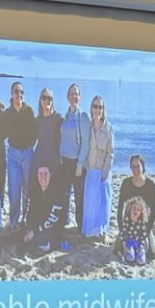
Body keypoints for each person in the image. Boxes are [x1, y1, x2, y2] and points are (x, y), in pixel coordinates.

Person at [2, 82, 37, 229]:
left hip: (27, 153)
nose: (19, 95)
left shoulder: (28, 111)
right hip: (13, 156)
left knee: (28, 189)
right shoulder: (7, 113)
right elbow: (2, 133)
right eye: (16, 92)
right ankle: (14, 221)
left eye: (21, 92)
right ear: (11, 94)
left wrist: (30, 148)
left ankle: (26, 219)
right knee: (14, 191)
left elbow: (35, 133)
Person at [58, 82, 91, 236]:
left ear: (80, 97)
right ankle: (64, 223)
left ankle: (80, 227)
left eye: (76, 94)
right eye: (71, 94)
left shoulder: (83, 117)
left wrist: (79, 164)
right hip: (64, 162)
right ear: (67, 97)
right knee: (64, 195)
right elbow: (61, 138)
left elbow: (85, 142)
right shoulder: (65, 116)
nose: (74, 97)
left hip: (77, 164)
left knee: (79, 197)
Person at [81, 96, 114, 240]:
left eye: (100, 107)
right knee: (90, 203)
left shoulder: (108, 128)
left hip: (103, 171)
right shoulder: (87, 126)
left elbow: (111, 152)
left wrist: (105, 172)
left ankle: (103, 232)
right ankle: (90, 232)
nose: (97, 110)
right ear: (91, 108)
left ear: (103, 110)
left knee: (103, 204)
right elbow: (83, 146)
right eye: (95, 106)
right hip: (90, 170)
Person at [116, 153, 155, 264]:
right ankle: (127, 245)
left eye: (138, 166)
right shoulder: (126, 183)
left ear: (143, 167)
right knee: (116, 249)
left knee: (152, 254)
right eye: (133, 166)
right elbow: (120, 208)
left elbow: (153, 212)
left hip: (143, 224)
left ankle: (139, 246)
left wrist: (146, 231)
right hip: (128, 224)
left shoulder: (150, 185)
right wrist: (121, 229)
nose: (135, 169)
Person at [23, 165, 65, 255]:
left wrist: (34, 232)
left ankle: (57, 244)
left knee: (38, 242)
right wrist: (29, 229)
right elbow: (30, 213)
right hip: (38, 227)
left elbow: (53, 219)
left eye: (46, 174)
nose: (43, 177)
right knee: (22, 236)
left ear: (50, 174)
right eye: (40, 174)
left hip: (53, 227)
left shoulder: (57, 192)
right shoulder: (35, 191)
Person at [33, 88, 62, 176]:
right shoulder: (37, 121)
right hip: (40, 160)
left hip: (55, 161)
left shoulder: (58, 119)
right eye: (44, 98)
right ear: (40, 100)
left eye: (50, 98)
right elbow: (30, 141)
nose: (47, 101)